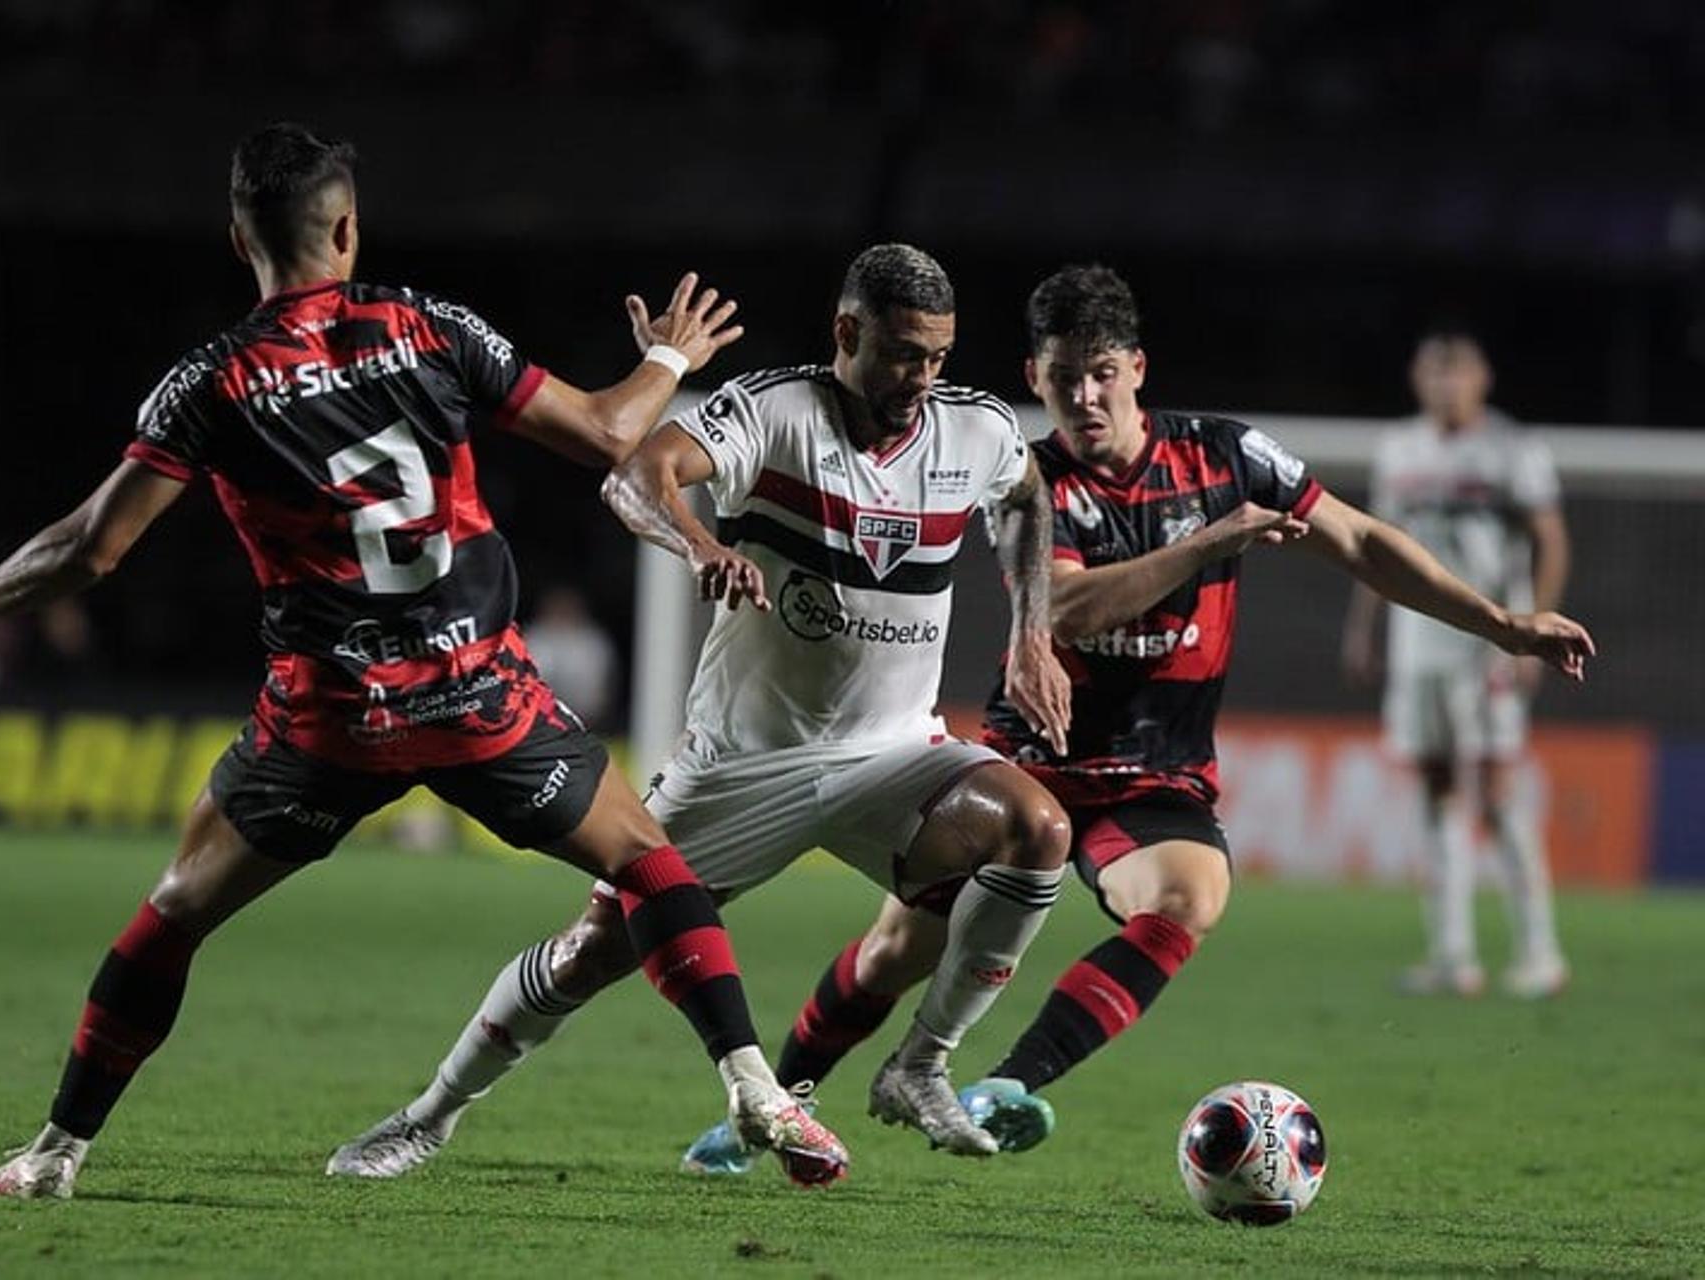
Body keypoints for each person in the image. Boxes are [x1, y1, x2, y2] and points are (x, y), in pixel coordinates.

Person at [0, 122, 845, 1198]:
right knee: (651, 866)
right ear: (349, 227)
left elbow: (89, 550)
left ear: (240, 239)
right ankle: (752, 1081)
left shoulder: (212, 380)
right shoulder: (425, 325)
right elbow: (610, 433)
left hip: (328, 720)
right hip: (481, 699)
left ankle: (56, 1151)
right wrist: (670, 360)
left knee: (174, 912)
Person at [673, 264, 1595, 1170]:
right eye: (1064, 376)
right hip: (1027, 762)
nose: (1085, 395)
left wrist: (1502, 623)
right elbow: (1068, 610)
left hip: (1155, 770)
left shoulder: (1226, 456)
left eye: (1103, 372)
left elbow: (1358, 540)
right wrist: (1210, 543)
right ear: (1034, 379)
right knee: (891, 953)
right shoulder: (1026, 481)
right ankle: (769, 1111)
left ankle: (1010, 1083)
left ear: (1138, 371)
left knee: (1191, 896)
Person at [324, 243, 1079, 1180]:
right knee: (589, 954)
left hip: (895, 752)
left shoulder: (975, 430)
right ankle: (430, 1114)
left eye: (937, 356)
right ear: (848, 332)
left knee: (1037, 828)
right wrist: (694, 544)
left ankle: (921, 1064)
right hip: (745, 760)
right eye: (901, 353)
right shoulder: (776, 411)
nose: (921, 377)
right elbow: (635, 475)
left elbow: (1028, 498)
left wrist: (1032, 631)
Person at [1342, 332, 1572, 998]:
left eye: (1457, 372)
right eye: (1433, 373)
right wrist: (1365, 629)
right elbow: (1375, 549)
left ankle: (1541, 951)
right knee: (1435, 789)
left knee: (1497, 792)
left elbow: (1551, 540)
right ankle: (1453, 954)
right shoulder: (1400, 448)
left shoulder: (1511, 449)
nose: (1445, 385)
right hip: (1419, 644)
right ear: (1418, 379)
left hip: (1487, 644)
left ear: (1482, 377)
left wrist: (1537, 626)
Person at [520, 586, 619, 727]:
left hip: (588, 720)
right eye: (558, 607)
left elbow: (605, 684)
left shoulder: (593, 640)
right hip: (538, 722)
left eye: (568, 607)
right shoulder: (532, 637)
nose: (563, 612)